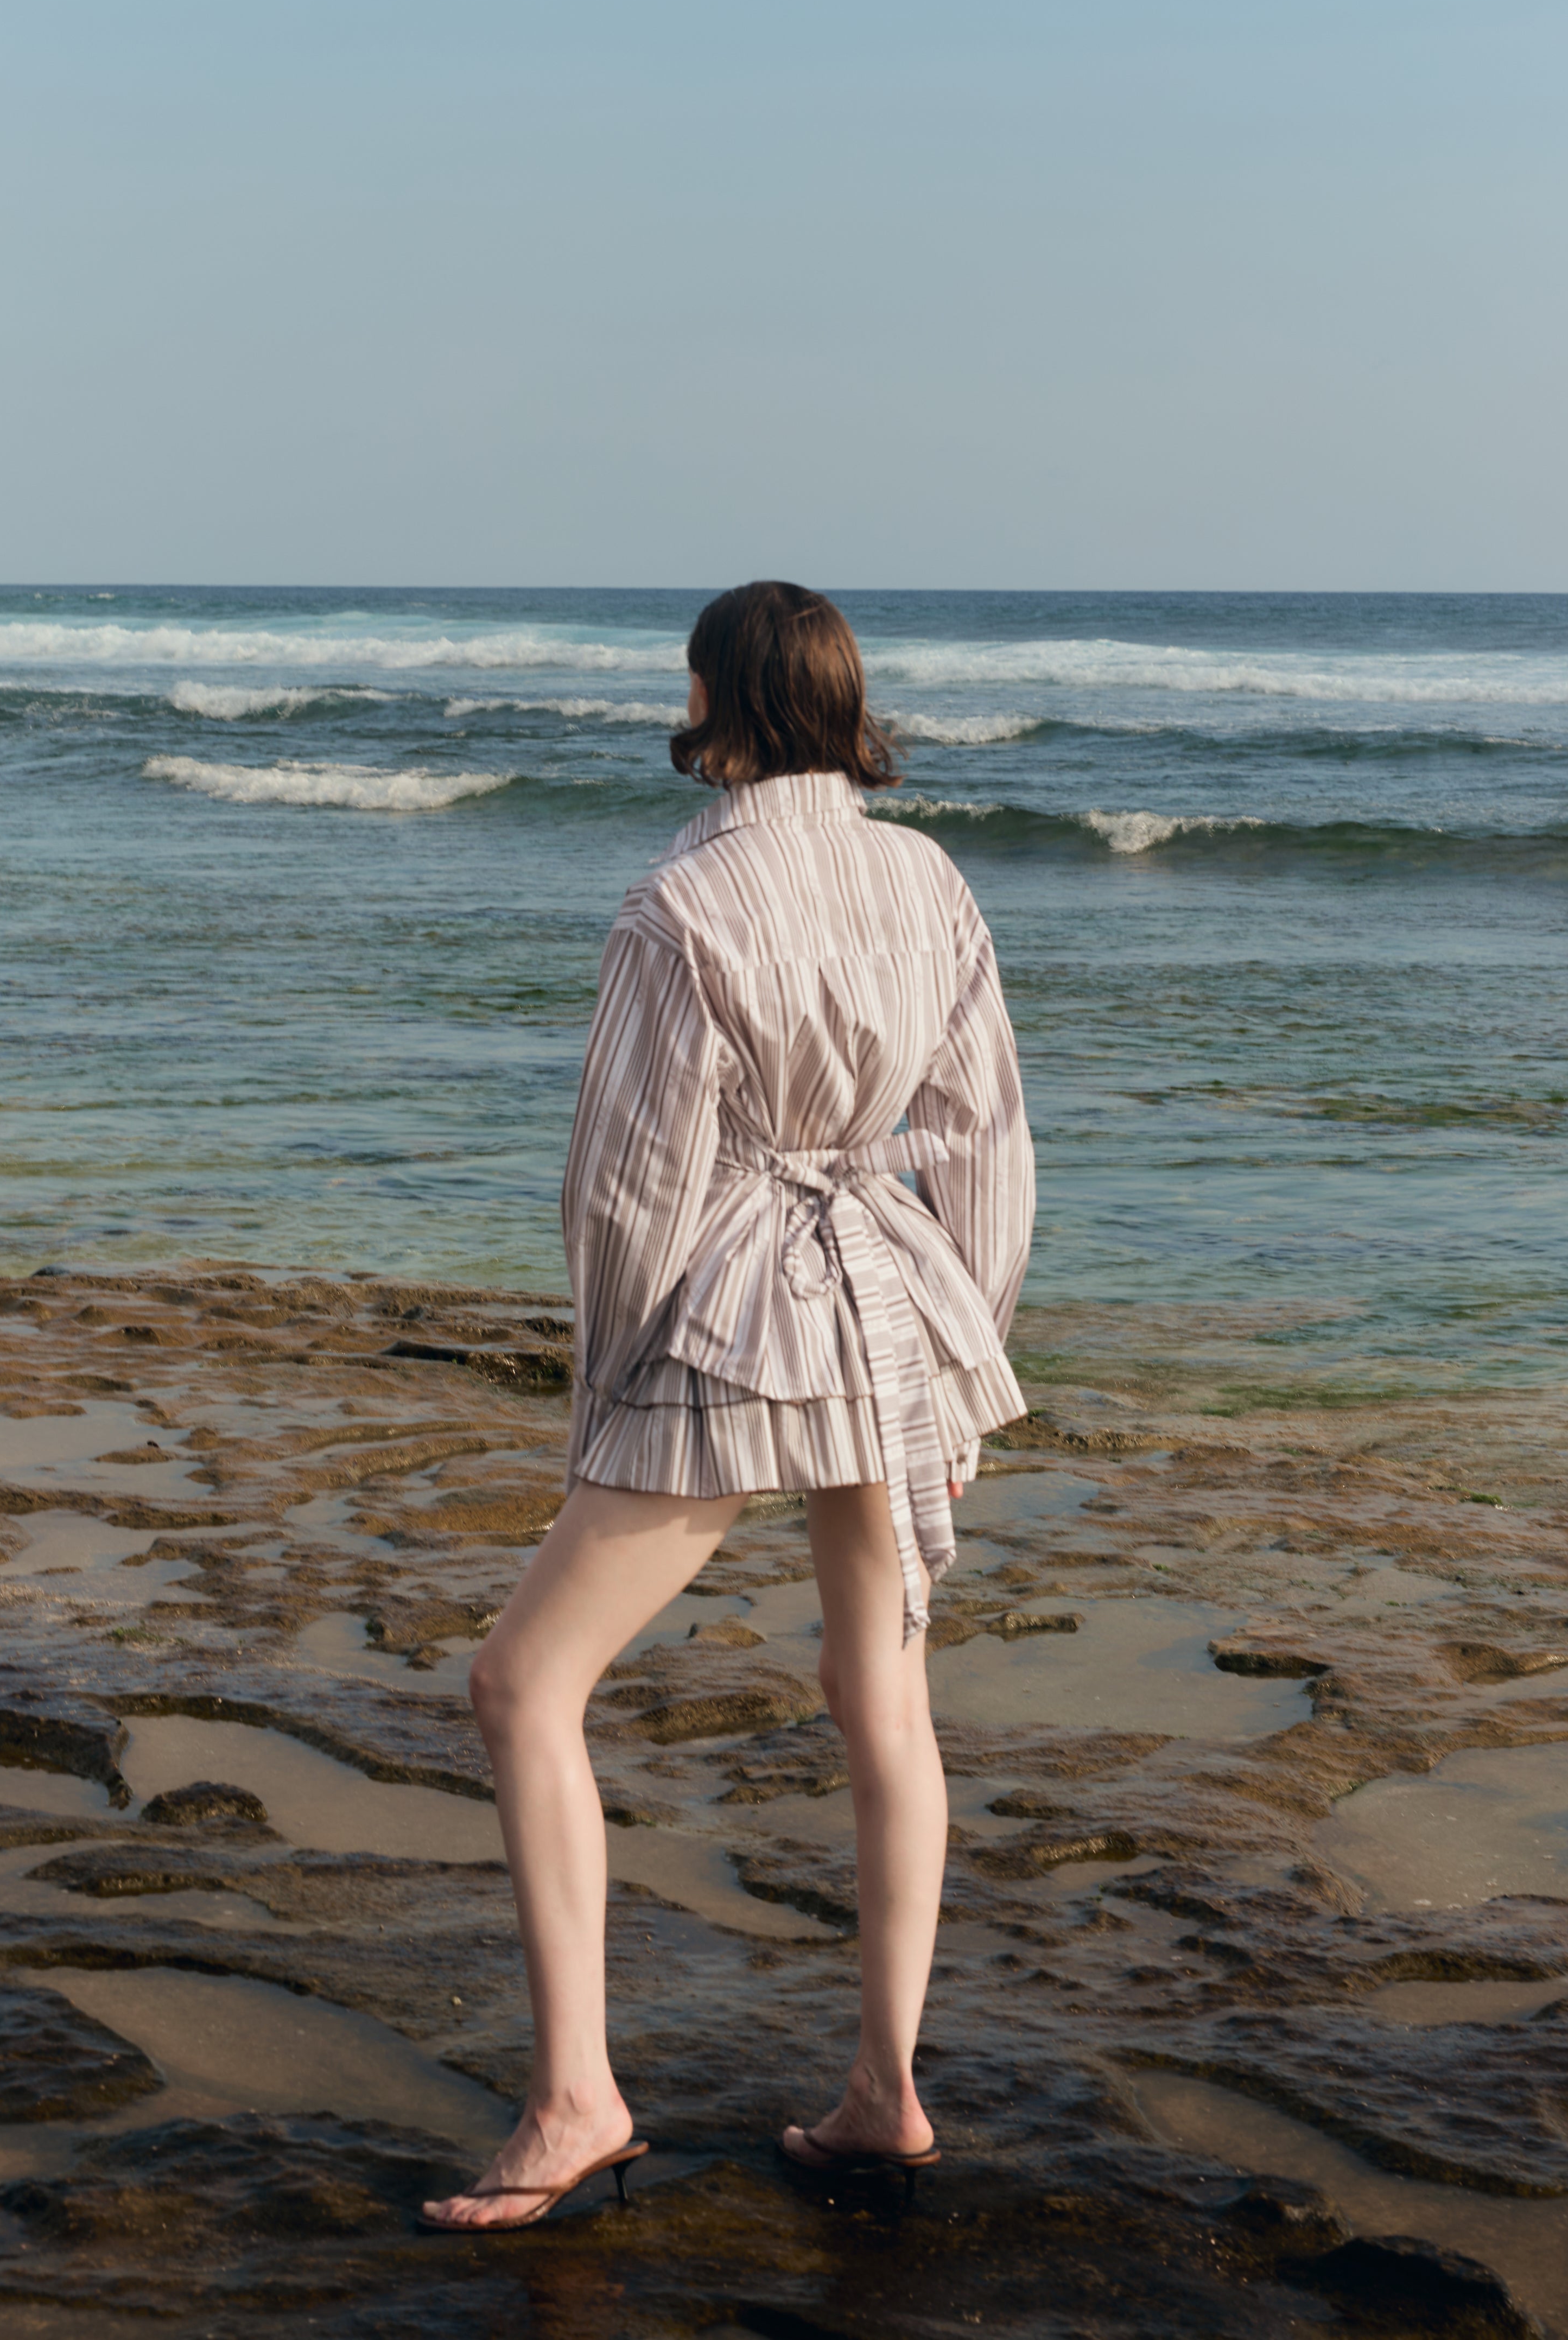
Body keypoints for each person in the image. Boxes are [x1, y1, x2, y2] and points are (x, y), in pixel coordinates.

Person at [420, 581, 1034, 2232]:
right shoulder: (931, 880)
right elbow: (984, 1142)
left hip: (740, 1311)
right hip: (898, 1296)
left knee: (523, 1682)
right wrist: (963, 1343)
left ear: (727, 704)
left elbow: (629, 1190)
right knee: (879, 1700)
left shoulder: (681, 905)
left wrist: (611, 1378)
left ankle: (576, 2099)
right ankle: (885, 2091)